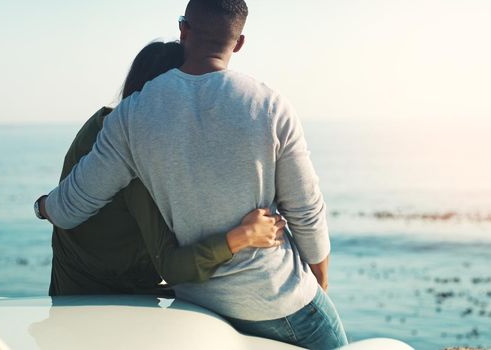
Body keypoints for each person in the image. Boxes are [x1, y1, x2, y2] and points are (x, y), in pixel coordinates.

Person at [36, 0, 349, 348]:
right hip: (277, 300)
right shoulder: (270, 105)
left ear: (184, 30)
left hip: (195, 303)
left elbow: (68, 211)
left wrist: (42, 206)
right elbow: (306, 212)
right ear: (240, 43)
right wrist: (319, 283)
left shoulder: (129, 115)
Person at [43, 41, 287, 297]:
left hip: (70, 295)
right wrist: (243, 236)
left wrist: (42, 206)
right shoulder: (133, 157)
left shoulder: (101, 124)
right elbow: (172, 266)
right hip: (107, 311)